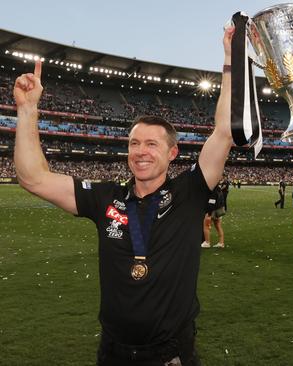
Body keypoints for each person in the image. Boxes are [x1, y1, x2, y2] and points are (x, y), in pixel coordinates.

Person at [13, 28, 236, 365]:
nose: (140, 152)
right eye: (134, 143)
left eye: (151, 144)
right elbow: (33, 178)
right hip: (112, 352)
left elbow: (224, 132)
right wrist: (28, 110)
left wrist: (229, 62)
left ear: (173, 152)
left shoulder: (189, 192)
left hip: (170, 354)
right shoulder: (105, 197)